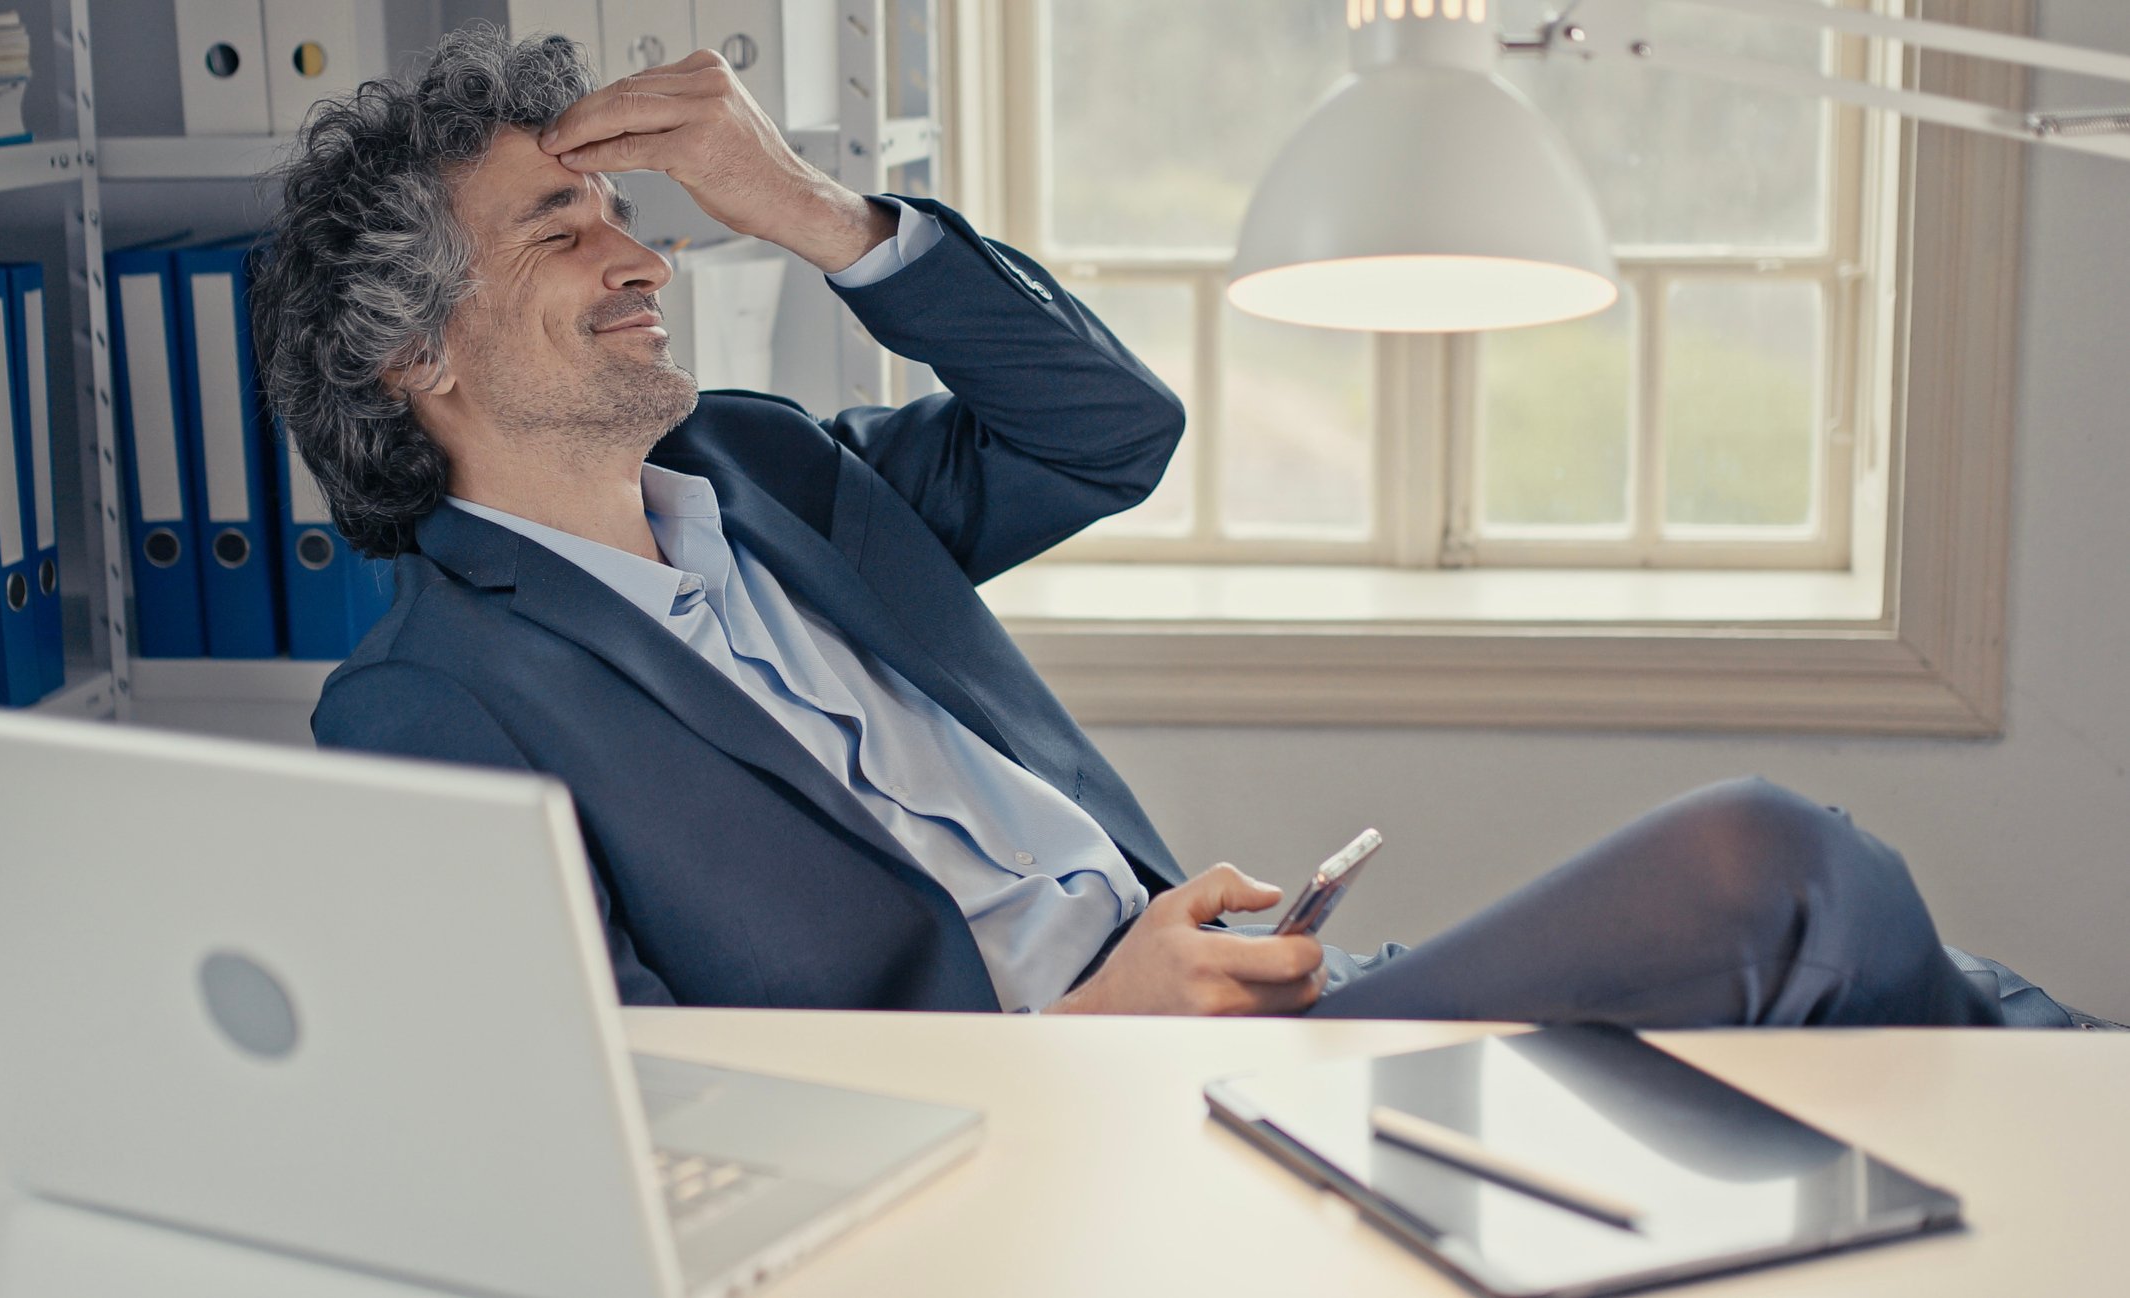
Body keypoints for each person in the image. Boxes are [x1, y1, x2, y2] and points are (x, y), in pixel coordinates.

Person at [259, 26, 2073, 1027]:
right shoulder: (433, 696)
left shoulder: (767, 469)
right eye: (561, 234)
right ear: (415, 349)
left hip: (1261, 991)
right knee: (1779, 873)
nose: (641, 249)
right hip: (1085, 1119)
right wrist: (1096, 1031)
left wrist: (819, 213)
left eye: (620, 208)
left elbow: (1106, 429)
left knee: (1855, 966)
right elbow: (639, 1102)